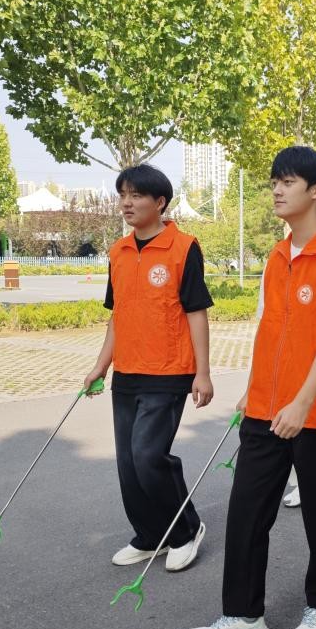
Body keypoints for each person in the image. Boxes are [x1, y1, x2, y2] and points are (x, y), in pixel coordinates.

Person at [189, 147, 316, 629]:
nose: (277, 191)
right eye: (274, 182)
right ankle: (243, 616)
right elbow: (269, 330)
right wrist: (254, 389)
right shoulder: (276, 255)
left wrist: (303, 403)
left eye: (287, 182)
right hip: (266, 409)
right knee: (246, 513)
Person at [84, 164, 213, 572]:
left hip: (169, 372)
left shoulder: (183, 248)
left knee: (148, 456)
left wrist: (203, 372)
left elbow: (196, 312)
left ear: (160, 203)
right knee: (127, 463)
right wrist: (101, 366)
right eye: (123, 194)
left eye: (136, 195)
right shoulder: (118, 252)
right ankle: (149, 535)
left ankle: (185, 530)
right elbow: (117, 315)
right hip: (128, 371)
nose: (127, 202)